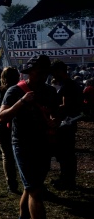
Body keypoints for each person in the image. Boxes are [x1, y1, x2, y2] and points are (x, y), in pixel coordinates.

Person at [0, 55, 60, 219]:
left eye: (45, 72)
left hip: (43, 143)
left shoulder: (50, 92)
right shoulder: (15, 90)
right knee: (35, 190)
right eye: (39, 71)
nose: (43, 75)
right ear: (30, 72)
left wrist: (54, 121)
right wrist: (22, 103)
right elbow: (2, 116)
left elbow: (54, 114)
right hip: (22, 144)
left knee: (31, 186)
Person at [49, 60, 82, 190]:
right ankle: (66, 178)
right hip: (68, 122)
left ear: (60, 71)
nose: (52, 75)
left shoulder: (68, 85)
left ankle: (67, 180)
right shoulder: (70, 84)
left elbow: (65, 105)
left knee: (66, 153)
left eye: (54, 72)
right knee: (65, 154)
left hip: (66, 123)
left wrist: (51, 109)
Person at [0, 67, 20, 193]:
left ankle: (11, 183)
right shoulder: (20, 91)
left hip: (1, 126)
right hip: (17, 125)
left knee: (7, 155)